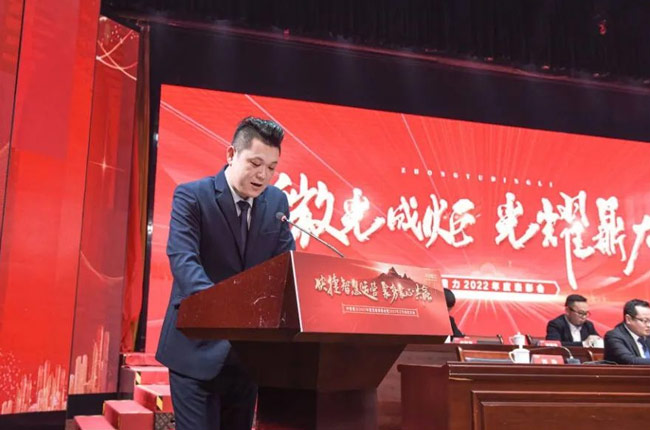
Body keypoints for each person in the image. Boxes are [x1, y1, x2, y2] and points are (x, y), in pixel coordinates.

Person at [155, 117, 296, 430]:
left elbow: (285, 268)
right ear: (231, 154)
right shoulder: (192, 196)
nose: (263, 175)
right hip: (196, 349)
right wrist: (231, 312)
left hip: (248, 356)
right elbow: (184, 262)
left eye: (271, 168)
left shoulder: (277, 202)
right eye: (255, 163)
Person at [604, 299, 650, 365]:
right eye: (645, 321)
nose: (649, 325)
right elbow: (629, 361)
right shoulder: (614, 337)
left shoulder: (647, 335)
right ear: (628, 319)